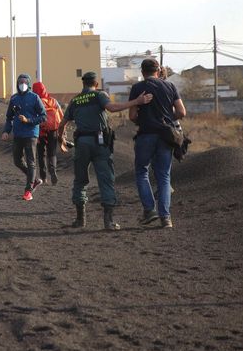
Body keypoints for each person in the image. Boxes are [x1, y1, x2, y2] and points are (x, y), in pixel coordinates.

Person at [57, 71, 153, 230]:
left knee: (80, 180)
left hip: (81, 143)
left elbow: (62, 124)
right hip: (100, 143)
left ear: (83, 84)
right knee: (105, 179)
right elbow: (113, 108)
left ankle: (80, 219)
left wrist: (61, 140)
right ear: (96, 84)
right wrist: (137, 101)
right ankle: (108, 221)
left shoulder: (75, 100)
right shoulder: (99, 96)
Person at [129, 58, 186, 229]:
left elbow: (132, 116)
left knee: (141, 172)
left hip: (146, 135)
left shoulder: (137, 88)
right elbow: (182, 112)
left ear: (142, 72)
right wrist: (168, 119)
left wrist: (145, 119)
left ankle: (149, 210)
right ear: (158, 70)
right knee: (164, 176)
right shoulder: (169, 86)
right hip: (165, 136)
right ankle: (166, 218)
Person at [1, 74, 46, 201]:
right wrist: (6, 131)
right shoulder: (14, 98)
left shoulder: (35, 97)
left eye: (25, 82)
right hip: (18, 133)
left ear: (29, 84)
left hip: (31, 133)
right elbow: (9, 117)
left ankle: (28, 190)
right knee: (17, 160)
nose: (22, 84)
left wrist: (29, 120)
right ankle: (35, 180)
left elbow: (43, 116)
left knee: (31, 161)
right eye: (20, 82)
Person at [32, 81, 63, 186]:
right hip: (53, 129)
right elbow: (61, 115)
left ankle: (44, 177)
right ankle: (53, 170)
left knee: (41, 154)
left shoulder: (35, 101)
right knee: (52, 152)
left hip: (40, 130)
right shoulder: (53, 101)